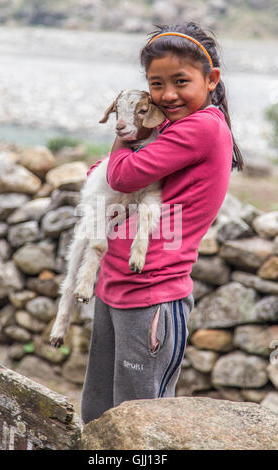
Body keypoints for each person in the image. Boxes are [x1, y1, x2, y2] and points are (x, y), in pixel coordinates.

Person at [81, 21, 244, 424]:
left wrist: (124, 127)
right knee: (98, 413)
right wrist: (125, 149)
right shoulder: (170, 125)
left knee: (141, 422)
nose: (167, 95)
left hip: (153, 292)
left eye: (180, 81)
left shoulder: (201, 127)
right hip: (116, 283)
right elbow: (98, 174)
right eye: (156, 84)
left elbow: (118, 177)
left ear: (212, 80)